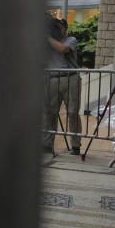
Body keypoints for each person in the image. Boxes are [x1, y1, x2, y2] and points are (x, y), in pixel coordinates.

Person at [44, 15, 81, 155]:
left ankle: (76, 145)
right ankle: (47, 144)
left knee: (72, 112)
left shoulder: (70, 40)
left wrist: (47, 37)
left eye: (60, 27)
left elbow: (63, 49)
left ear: (65, 29)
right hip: (52, 79)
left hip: (70, 78)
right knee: (49, 113)